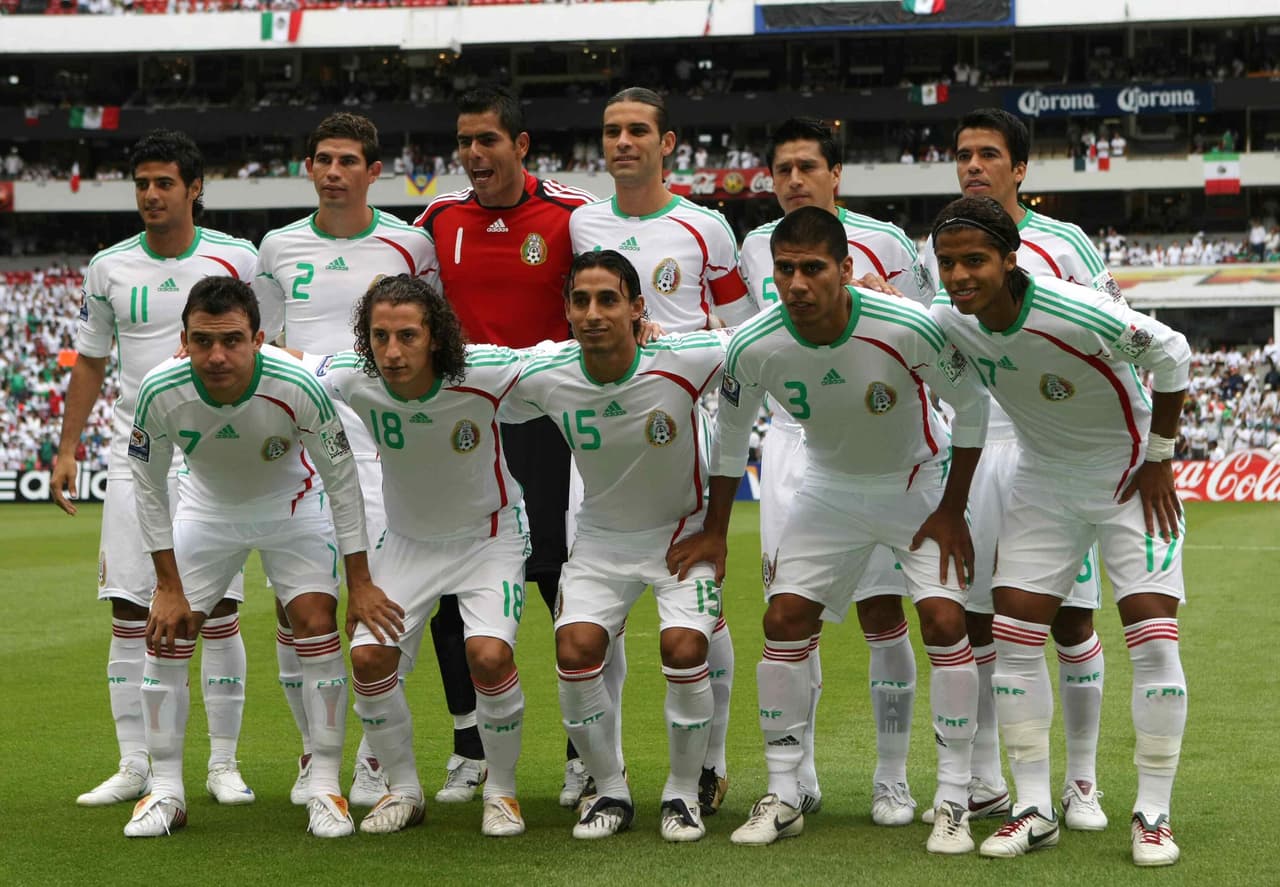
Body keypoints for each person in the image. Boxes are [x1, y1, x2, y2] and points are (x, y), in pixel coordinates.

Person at [670, 207, 990, 853]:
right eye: (785, 269)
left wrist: (953, 508)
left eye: (813, 268)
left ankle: (954, 796)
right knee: (784, 620)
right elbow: (731, 440)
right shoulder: (754, 343)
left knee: (946, 623)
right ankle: (785, 790)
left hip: (915, 483)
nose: (796, 284)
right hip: (828, 487)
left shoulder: (907, 325)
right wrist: (714, 530)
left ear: (846, 269)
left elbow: (975, 406)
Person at [930, 195, 1190, 866]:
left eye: (974, 260)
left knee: (1152, 636)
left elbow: (1173, 352)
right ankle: (1034, 806)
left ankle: (1154, 814)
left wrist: (1160, 459)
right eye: (948, 262)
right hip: (1044, 481)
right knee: (1015, 634)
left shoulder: (1073, 310)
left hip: (1129, 475)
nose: (959, 275)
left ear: (1010, 259)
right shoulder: (951, 319)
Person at [124, 276, 391, 838]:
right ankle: (166, 790)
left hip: (294, 504)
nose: (217, 356)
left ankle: (324, 785)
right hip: (205, 508)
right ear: (184, 339)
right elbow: (147, 487)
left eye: (232, 340)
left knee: (316, 623)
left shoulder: (296, 383)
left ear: (259, 338)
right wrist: (166, 586)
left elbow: (342, 481)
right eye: (202, 341)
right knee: (166, 632)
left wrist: (360, 580)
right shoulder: (159, 389)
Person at [917, 107, 1116, 829]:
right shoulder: (933, 248)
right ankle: (989, 779)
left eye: (989, 154)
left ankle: (1083, 781)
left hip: (1054, 446)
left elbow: (1113, 337)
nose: (973, 164)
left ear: (1021, 167)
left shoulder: (1065, 244)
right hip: (971, 444)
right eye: (963, 153)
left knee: (1068, 616)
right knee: (980, 621)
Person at [738, 116, 938, 822]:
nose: (793, 179)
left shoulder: (884, 240)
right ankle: (801, 773)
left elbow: (925, 328)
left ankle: (892, 777)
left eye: (806, 167)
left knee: (884, 612)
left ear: (835, 176)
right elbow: (741, 339)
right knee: (792, 614)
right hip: (793, 443)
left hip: (878, 438)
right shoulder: (753, 244)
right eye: (782, 168)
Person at [52, 130, 258, 809]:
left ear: (194, 188)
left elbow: (267, 351)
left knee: (219, 610)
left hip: (216, 452)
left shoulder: (238, 258)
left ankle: (222, 765)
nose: (150, 194)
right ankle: (134, 762)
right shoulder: (108, 266)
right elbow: (91, 360)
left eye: (164, 182)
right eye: (141, 182)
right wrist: (67, 446)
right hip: (131, 450)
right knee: (129, 609)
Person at [569, 85, 755, 816]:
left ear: (667, 143)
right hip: (602, 438)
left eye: (638, 130)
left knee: (700, 611)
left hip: (681, 420)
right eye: (611, 130)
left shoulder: (705, 226)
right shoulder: (580, 223)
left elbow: (742, 331)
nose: (623, 142)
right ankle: (597, 770)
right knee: (594, 611)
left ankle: (707, 763)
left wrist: (672, 348)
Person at [502, 250, 729, 842]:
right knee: (574, 650)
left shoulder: (687, 359)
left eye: (608, 300)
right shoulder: (547, 375)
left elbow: (753, 342)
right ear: (567, 312)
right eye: (581, 301)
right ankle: (611, 790)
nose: (593, 313)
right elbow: (470, 371)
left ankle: (682, 795)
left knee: (683, 649)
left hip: (681, 535)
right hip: (602, 540)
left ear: (637, 308)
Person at [413, 85, 596, 807]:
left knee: (559, 582)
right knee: (452, 587)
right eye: (464, 142)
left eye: (487, 140)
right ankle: (468, 745)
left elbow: (605, 296)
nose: (473, 155)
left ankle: (584, 750)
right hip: (462, 428)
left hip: (547, 425)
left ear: (521, 145)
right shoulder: (437, 221)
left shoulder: (571, 215)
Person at [255, 111, 437, 807]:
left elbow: (431, 341)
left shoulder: (408, 244)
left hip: (383, 443)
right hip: (300, 445)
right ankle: (313, 753)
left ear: (373, 170)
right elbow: (266, 341)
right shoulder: (275, 246)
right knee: (300, 603)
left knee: (386, 599)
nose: (334, 172)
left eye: (348, 160)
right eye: (323, 159)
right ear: (309, 167)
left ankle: (369, 754)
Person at [308, 275, 531, 837]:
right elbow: (294, 362)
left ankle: (502, 793)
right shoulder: (354, 378)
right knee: (368, 660)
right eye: (379, 336)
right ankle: (404, 790)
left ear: (435, 336)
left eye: (407, 335)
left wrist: (643, 333)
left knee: (487, 656)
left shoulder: (481, 373)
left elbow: (556, 358)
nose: (391, 351)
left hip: (488, 538)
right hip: (407, 542)